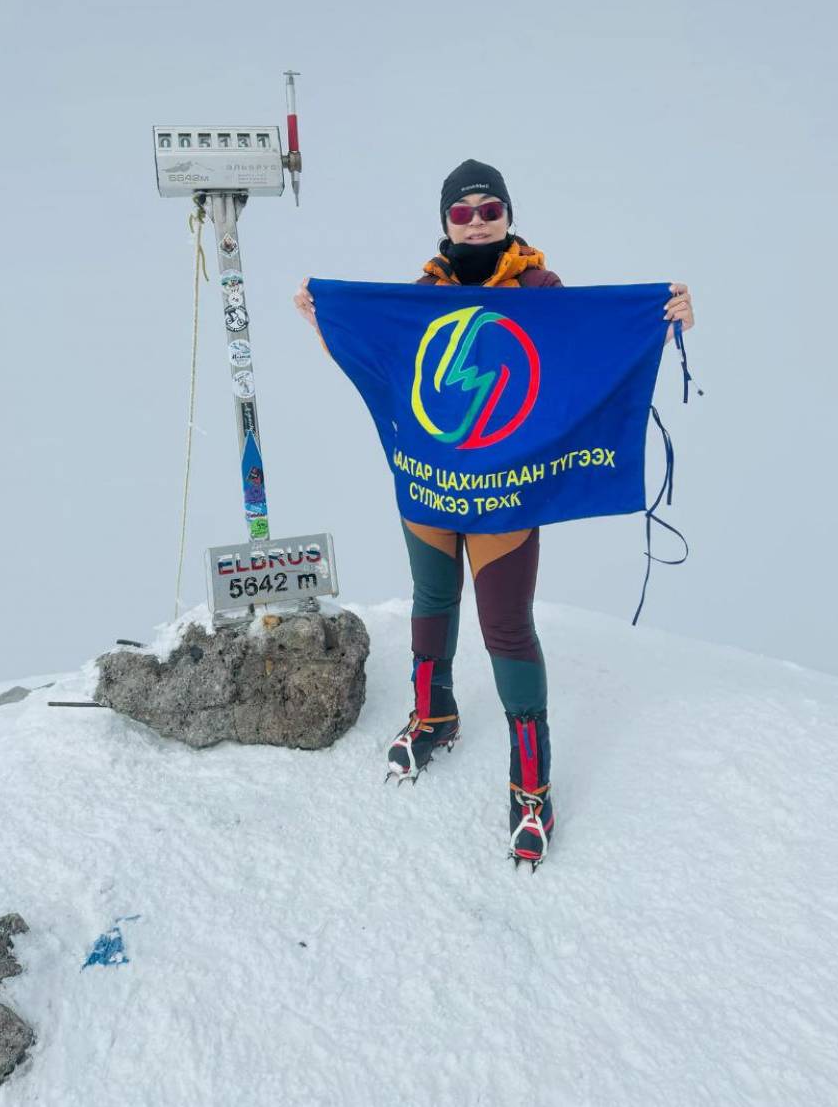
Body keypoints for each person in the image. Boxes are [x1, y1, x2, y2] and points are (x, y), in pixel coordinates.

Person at [293, 159, 695, 868]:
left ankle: (531, 782)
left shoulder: (540, 289)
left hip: (506, 489)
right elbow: (384, 365)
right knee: (432, 597)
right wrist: (324, 318)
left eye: (489, 209)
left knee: (505, 625)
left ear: (508, 214)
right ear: (445, 221)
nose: (476, 221)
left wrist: (660, 322)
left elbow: (587, 362)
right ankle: (434, 714)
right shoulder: (424, 293)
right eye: (463, 211)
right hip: (430, 482)